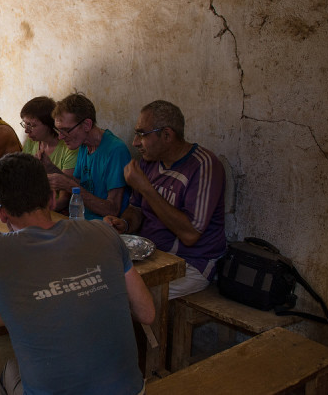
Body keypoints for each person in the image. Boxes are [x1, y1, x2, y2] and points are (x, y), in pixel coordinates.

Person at [0, 153, 154, 395]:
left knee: (10, 369)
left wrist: (32, 306)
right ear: (51, 199)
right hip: (131, 391)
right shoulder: (105, 232)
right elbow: (147, 312)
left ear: (0, 212)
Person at [105, 100, 226, 299]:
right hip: (152, 256)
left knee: (123, 295)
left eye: (142, 134)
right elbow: (136, 209)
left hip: (190, 263)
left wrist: (146, 187)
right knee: (96, 278)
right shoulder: (149, 162)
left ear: (167, 135)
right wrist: (124, 223)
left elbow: (190, 234)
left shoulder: (204, 166)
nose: (135, 142)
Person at [46, 93, 131, 219]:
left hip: (104, 226)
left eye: (66, 130)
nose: (60, 137)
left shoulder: (115, 150)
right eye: (59, 130)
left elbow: (113, 210)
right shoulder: (84, 145)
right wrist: (50, 167)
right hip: (83, 221)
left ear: (86, 125)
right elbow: (78, 184)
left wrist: (69, 185)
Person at [19, 96, 78, 211]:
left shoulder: (69, 148)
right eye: (25, 124)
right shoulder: (32, 141)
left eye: (32, 125)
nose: (26, 130)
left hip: (53, 210)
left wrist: (36, 212)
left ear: (50, 125)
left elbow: (64, 200)